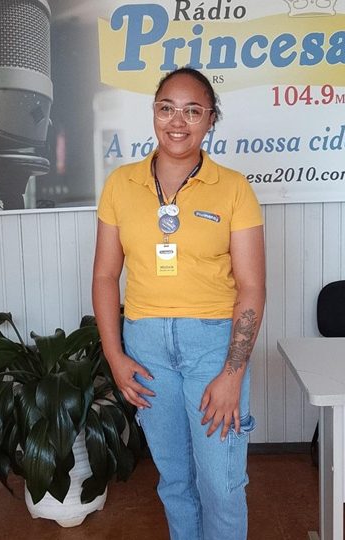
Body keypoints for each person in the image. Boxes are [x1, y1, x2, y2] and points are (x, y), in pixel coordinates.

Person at [92, 67, 265, 540]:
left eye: (192, 111)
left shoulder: (233, 188)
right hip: (146, 348)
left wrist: (232, 374)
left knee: (221, 484)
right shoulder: (121, 184)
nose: (177, 121)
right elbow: (105, 276)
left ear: (210, 119)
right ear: (154, 112)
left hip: (213, 347)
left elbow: (251, 287)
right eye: (167, 108)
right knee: (175, 481)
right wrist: (115, 356)